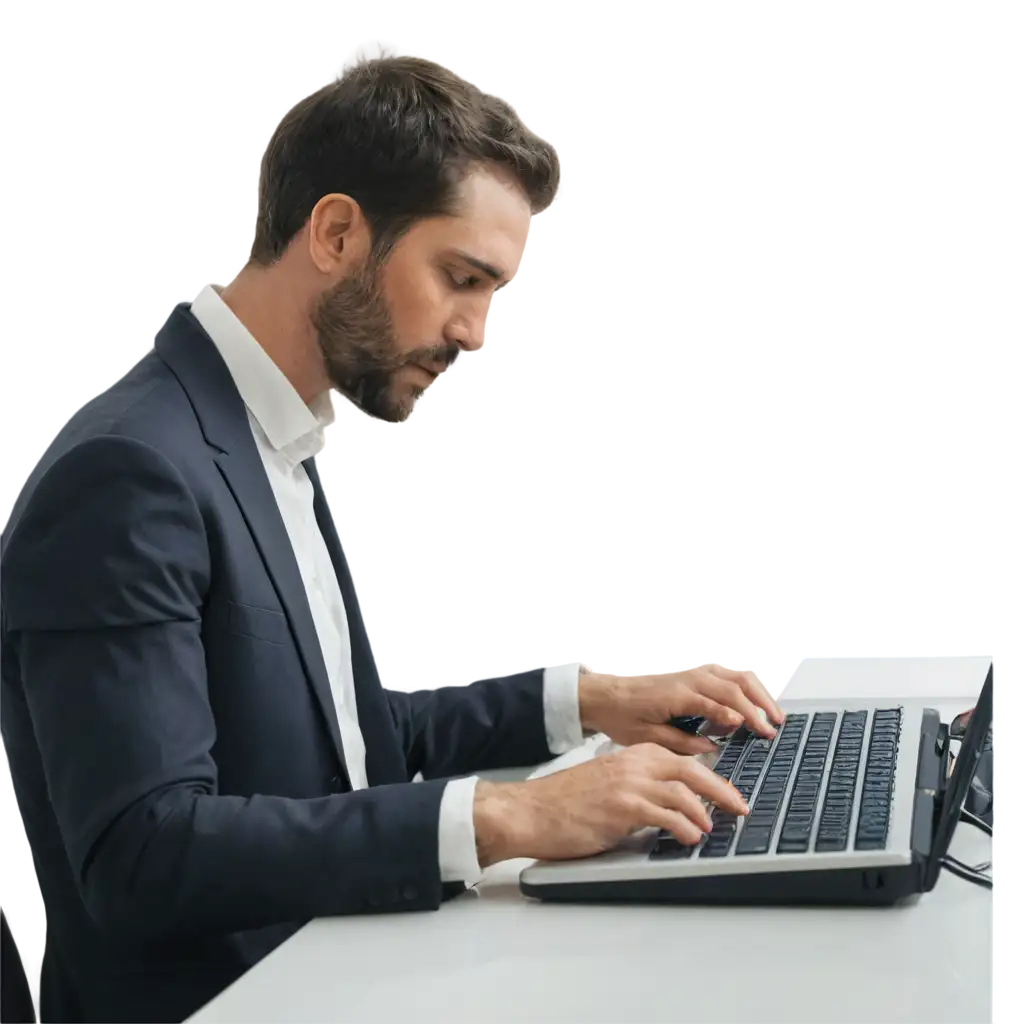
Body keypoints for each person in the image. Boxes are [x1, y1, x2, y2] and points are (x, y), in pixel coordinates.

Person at [0, 44, 784, 1024]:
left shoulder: (272, 433)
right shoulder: (128, 474)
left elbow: (342, 749)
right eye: (462, 277)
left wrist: (584, 697)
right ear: (335, 232)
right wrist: (507, 814)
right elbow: (143, 854)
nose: (476, 333)